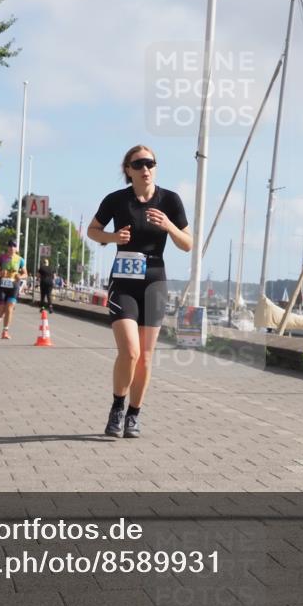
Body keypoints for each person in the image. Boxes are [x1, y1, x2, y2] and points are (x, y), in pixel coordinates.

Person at [87, 145, 191, 438]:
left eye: (151, 163)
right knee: (130, 352)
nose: (146, 168)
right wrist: (112, 237)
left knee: (145, 356)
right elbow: (92, 231)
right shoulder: (116, 200)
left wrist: (170, 225)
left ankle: (134, 414)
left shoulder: (170, 199)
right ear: (128, 170)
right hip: (124, 280)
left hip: (155, 281)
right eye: (139, 163)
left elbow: (188, 243)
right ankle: (117, 406)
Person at [0, 240, 25, 339]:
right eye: (10, 246)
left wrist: (20, 276)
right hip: (2, 287)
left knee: (9, 309)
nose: (11, 248)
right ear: (7, 247)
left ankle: (5, 331)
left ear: (16, 248)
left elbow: (25, 273)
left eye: (14, 246)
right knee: (1, 310)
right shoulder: (1, 257)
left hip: (13, 287)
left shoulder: (20, 259)